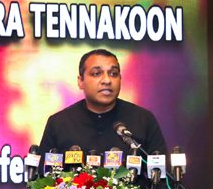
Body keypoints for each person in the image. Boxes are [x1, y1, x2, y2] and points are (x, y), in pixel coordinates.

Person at [38, 48, 167, 171]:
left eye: (113, 74)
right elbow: (42, 183)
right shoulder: (59, 123)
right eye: (96, 73)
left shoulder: (143, 120)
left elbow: (164, 181)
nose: (107, 80)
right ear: (80, 81)